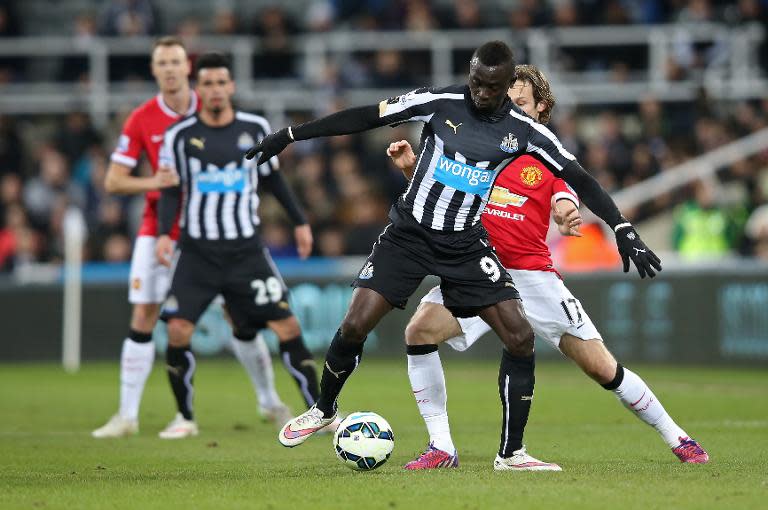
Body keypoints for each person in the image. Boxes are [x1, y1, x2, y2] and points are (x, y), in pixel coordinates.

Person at [246, 41, 661, 469]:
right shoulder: (440, 101)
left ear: (505, 87)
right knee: (354, 323)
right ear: (471, 72)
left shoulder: (525, 132)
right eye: (476, 82)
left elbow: (580, 177)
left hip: (465, 244)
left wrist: (623, 228)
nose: (481, 92)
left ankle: (511, 454)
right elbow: (368, 116)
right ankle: (324, 409)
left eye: (491, 87)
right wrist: (292, 135)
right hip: (409, 235)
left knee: (519, 337)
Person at [387, 64, 708, 469]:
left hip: (532, 276)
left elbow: (566, 192)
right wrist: (409, 169)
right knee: (419, 330)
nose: (510, 109)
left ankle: (676, 436)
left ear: (541, 108)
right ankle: (442, 447)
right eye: (507, 102)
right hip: (479, 269)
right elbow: (443, 192)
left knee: (601, 367)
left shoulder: (550, 157)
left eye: (519, 102)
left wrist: (567, 212)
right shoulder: (481, 144)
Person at [92, 38, 291, 438]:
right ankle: (127, 416)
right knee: (145, 314)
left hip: (218, 234)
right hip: (159, 231)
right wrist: (157, 181)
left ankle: (270, 402)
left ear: (189, 70)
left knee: (240, 317)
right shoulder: (142, 118)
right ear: (154, 70)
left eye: (175, 62)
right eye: (161, 62)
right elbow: (113, 180)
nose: (168, 69)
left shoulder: (216, 109)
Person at [154, 52, 324, 439]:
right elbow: (170, 189)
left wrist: (299, 222)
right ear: (199, 89)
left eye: (221, 83)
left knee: (286, 325)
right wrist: (166, 232)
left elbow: (274, 181)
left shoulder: (255, 127)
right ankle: (184, 417)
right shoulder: (179, 137)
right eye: (208, 83)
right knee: (178, 330)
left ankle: (319, 411)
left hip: (246, 251)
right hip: (196, 252)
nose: (215, 90)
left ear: (231, 86)